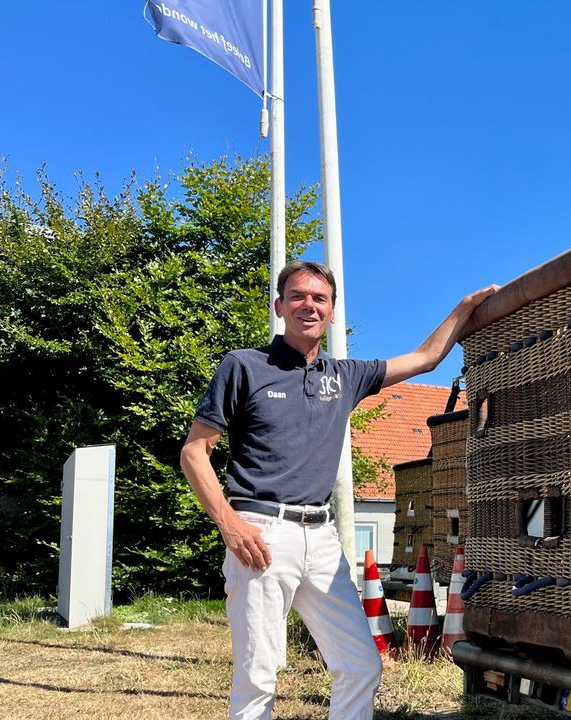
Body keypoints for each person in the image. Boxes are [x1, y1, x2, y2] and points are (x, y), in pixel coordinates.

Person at [179, 260, 497, 720]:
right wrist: (230, 524)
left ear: (332, 313)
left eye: (319, 298)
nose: (309, 305)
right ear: (279, 306)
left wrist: (463, 308)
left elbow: (425, 358)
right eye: (298, 296)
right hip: (261, 532)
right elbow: (194, 453)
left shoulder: (346, 375)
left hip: (322, 538)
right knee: (258, 675)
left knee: (361, 665)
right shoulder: (244, 366)